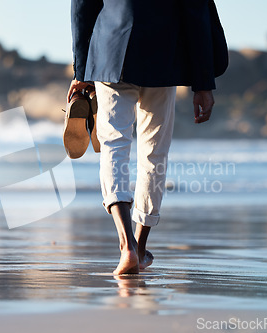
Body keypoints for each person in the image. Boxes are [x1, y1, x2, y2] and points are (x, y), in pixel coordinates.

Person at [64, 0, 228, 274]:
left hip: (111, 50)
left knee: (114, 144)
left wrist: (81, 71)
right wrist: (203, 84)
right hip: (162, 57)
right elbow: (195, 10)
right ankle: (139, 248)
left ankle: (125, 245)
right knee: (154, 154)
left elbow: (82, 7)